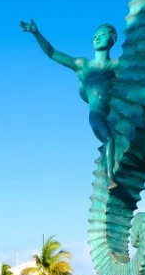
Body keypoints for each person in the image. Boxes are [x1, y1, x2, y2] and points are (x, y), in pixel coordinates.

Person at [20, 19, 119, 188]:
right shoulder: (83, 65)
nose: (97, 38)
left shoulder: (118, 66)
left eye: (103, 35)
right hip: (97, 115)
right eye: (95, 36)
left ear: (113, 39)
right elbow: (52, 53)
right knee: (108, 139)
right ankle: (110, 178)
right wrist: (36, 33)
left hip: (118, 115)